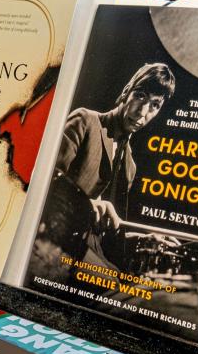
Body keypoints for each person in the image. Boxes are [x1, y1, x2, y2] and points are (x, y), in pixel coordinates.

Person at [55, 63, 176, 235]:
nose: (143, 112)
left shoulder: (130, 167)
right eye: (140, 96)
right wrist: (86, 204)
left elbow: (111, 229)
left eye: (154, 105)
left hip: (86, 250)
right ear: (127, 92)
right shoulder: (85, 121)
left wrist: (142, 240)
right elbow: (48, 180)